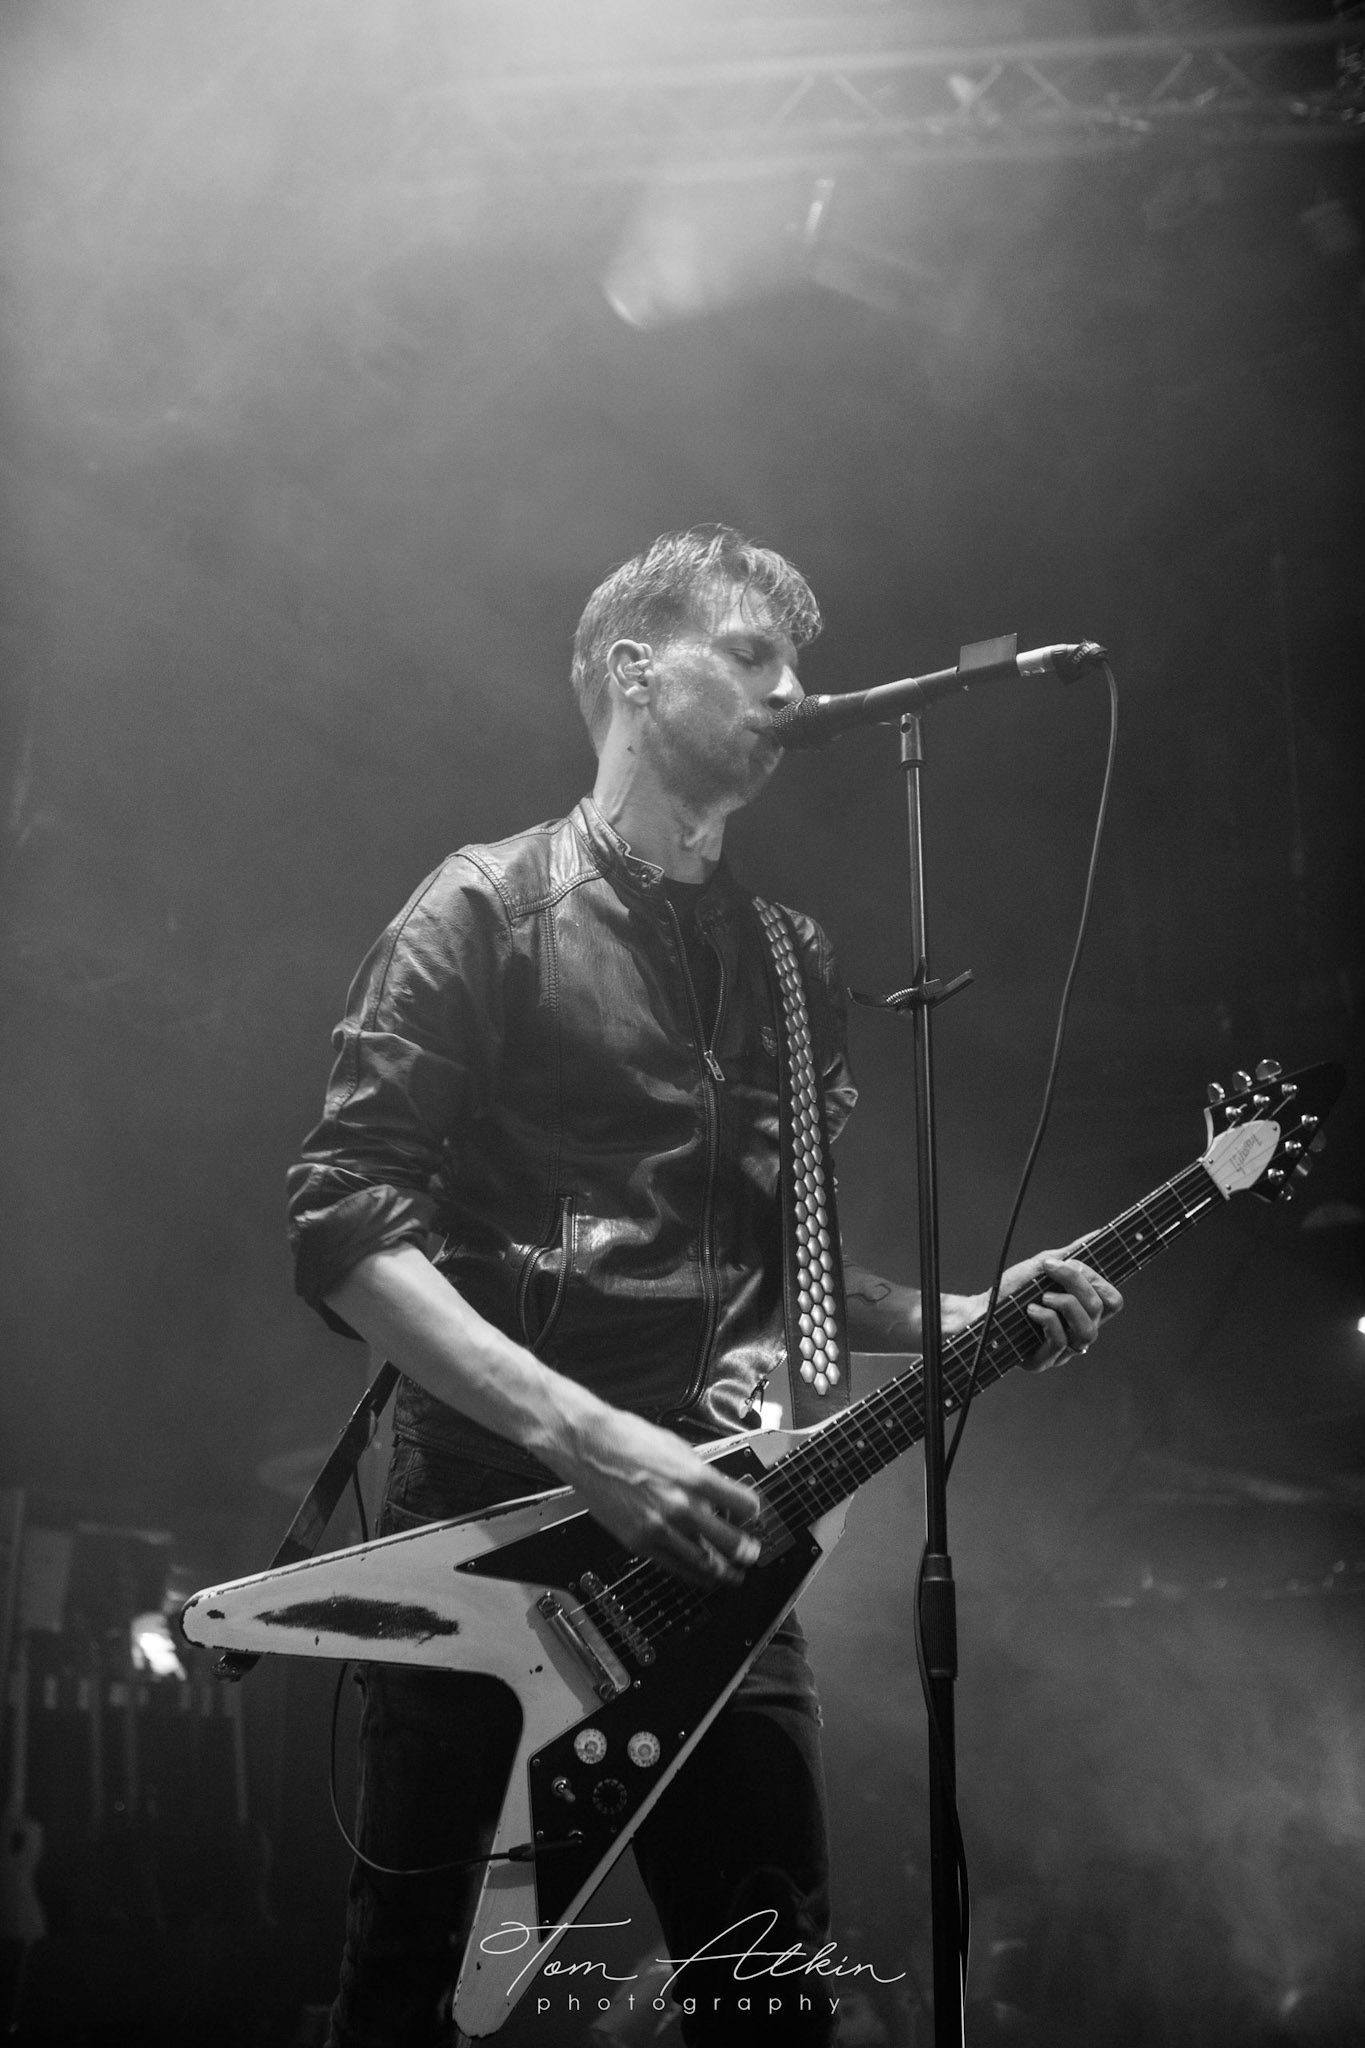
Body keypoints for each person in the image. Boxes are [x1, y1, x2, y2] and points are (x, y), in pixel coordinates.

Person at [286, 526, 1122, 2048]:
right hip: (496, 1520)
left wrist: (970, 1316)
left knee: (769, 1996)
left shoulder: (792, 963)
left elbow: (782, 1277)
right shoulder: (484, 906)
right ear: (632, 670)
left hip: (724, 1534)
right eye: (749, 654)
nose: (790, 690)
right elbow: (343, 1227)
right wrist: (589, 1439)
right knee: (411, 2003)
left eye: (796, 662)